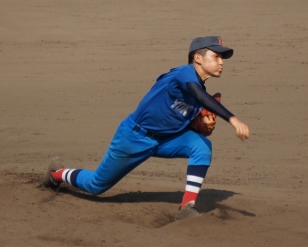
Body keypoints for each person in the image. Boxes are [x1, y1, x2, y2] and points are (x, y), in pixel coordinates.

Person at [42, 36, 250, 220]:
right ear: (197, 58)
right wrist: (232, 119)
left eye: (222, 58)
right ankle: (56, 173)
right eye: (216, 56)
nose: (221, 62)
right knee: (96, 185)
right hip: (133, 138)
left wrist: (201, 127)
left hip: (164, 141)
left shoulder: (198, 95)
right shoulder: (184, 73)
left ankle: (187, 207)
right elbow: (198, 94)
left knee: (202, 146)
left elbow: (177, 115)